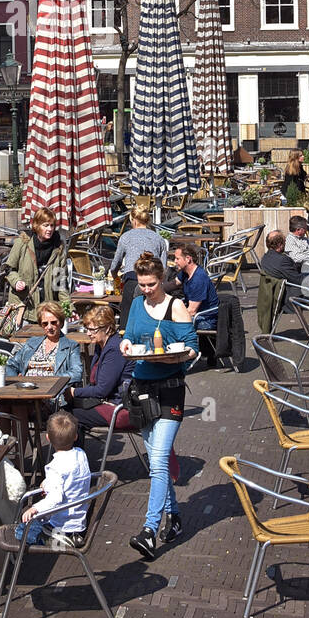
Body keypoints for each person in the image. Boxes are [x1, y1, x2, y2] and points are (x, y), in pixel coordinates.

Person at [119, 254, 198, 560]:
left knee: (160, 461)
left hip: (170, 391)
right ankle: (175, 518)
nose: (147, 290)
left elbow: (192, 346)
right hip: (142, 390)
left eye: (151, 284)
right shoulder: (138, 304)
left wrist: (177, 355)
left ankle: (149, 531)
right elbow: (128, 335)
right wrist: (125, 344)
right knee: (155, 461)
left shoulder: (175, 306)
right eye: (142, 285)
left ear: (162, 279)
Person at [16, 410, 92, 547]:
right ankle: (70, 538)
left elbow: (55, 499)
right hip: (78, 523)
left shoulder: (55, 467)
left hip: (61, 525)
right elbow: (71, 478)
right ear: (75, 437)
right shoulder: (81, 454)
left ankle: (53, 540)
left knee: (21, 531)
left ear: (48, 438)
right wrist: (47, 483)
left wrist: (35, 508)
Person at [64, 303, 134, 437]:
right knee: (62, 408)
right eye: (87, 329)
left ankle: (74, 456)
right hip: (106, 401)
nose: (88, 333)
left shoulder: (114, 349)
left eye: (92, 329)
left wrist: (74, 392)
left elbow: (102, 390)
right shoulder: (100, 345)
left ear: (107, 328)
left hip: (119, 406)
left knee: (66, 419)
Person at [109, 204, 168, 327]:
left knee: (127, 320)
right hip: (153, 282)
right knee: (152, 320)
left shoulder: (126, 237)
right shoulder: (158, 238)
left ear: (133, 220)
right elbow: (163, 268)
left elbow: (115, 264)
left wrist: (115, 277)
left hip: (132, 280)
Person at [4, 207, 67, 323]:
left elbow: (60, 284)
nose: (50, 229)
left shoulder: (58, 249)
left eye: (52, 225)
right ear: (37, 226)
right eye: (46, 225)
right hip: (24, 309)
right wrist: (16, 281)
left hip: (47, 311)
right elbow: (9, 269)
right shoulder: (22, 243)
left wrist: (67, 307)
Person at [5, 300, 83, 384]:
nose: (49, 327)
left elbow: (76, 373)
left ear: (61, 323)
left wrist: (49, 380)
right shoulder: (32, 342)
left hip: (53, 392)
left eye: (53, 323)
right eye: (45, 324)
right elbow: (10, 365)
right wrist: (17, 381)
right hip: (27, 390)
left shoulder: (71, 346)